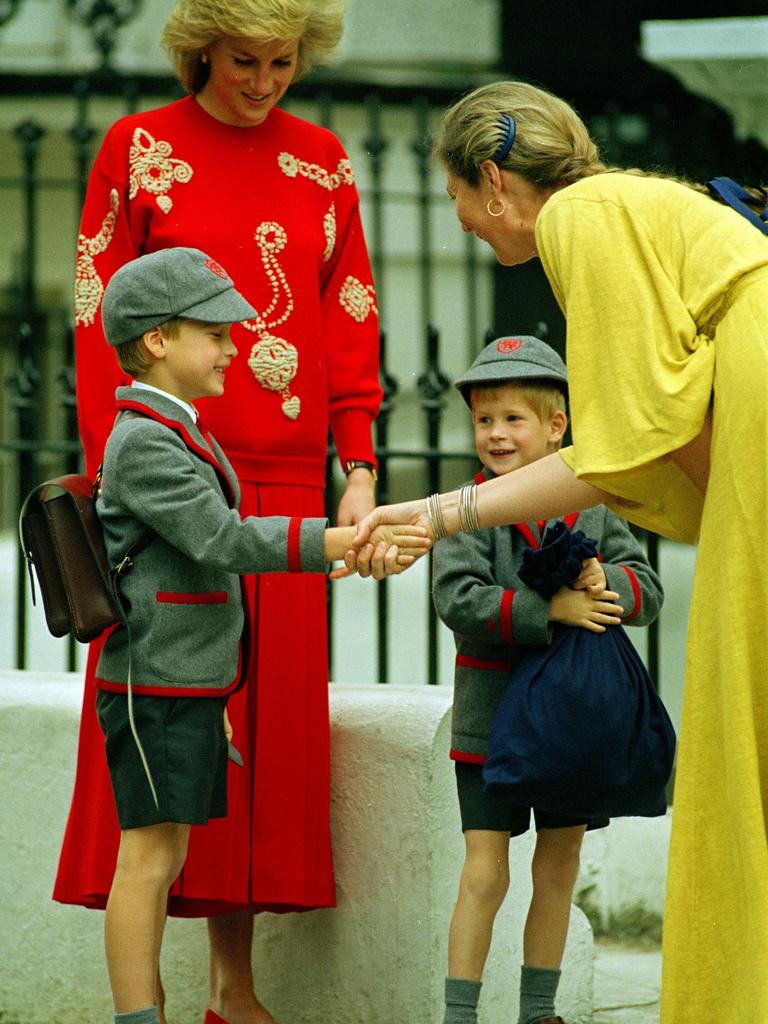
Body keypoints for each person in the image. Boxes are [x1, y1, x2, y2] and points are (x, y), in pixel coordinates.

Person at [350, 80, 768, 1024]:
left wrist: (440, 511)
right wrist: (446, 514)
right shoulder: (624, 203)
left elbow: (613, 452)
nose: (456, 219)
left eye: (456, 195)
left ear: (494, 180)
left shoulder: (581, 218)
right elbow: (648, 446)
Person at [55, 2, 382, 1022]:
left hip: (285, 484)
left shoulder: (326, 161)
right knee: (176, 732)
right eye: (246, 60)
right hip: (168, 479)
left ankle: (233, 991)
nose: (266, 80)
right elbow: (93, 308)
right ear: (204, 49)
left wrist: (358, 463)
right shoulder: (136, 146)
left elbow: (349, 312)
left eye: (285, 62)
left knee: (254, 750)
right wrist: (114, 470)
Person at [92, 246, 426, 1024]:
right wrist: (340, 544)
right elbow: (223, 540)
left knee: (166, 854)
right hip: (157, 686)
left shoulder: (172, 428)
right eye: (216, 333)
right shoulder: (144, 438)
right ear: (157, 341)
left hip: (186, 682)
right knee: (146, 860)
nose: (236, 348)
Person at [432, 334, 663, 1024]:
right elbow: (458, 599)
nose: (496, 434)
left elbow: (648, 590)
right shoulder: (465, 509)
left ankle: (539, 1012)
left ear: (557, 426)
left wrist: (605, 581)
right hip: (489, 720)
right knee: (484, 873)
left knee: (557, 869)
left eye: (513, 418)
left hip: (571, 726)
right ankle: (460, 1015)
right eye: (484, 420)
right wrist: (548, 609)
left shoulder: (595, 505)